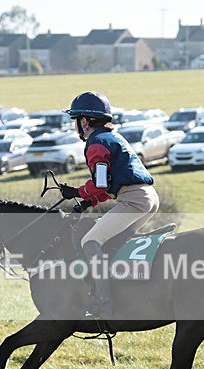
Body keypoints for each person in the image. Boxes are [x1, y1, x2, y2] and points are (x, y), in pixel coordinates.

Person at [60, 91, 159, 319]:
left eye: (76, 120)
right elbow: (110, 185)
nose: (76, 126)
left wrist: (77, 192)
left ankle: (102, 304)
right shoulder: (113, 137)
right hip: (147, 197)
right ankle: (124, 290)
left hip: (134, 199)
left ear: (84, 121)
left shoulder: (96, 143)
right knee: (112, 242)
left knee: (90, 241)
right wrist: (88, 201)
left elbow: (101, 184)